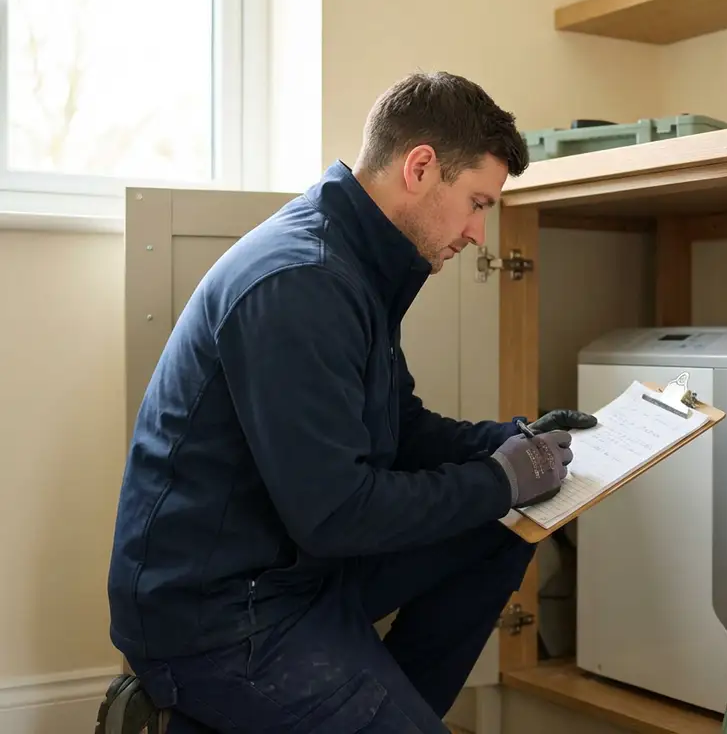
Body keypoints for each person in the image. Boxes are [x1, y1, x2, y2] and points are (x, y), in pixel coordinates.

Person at [101, 71, 597, 733]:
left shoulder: (356, 264)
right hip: (219, 617)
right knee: (494, 499)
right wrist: (498, 476)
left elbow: (402, 426)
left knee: (499, 528)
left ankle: (387, 709)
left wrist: (507, 442)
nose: (480, 232)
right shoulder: (301, 280)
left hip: (293, 574)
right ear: (421, 166)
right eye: (477, 202)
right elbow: (336, 513)